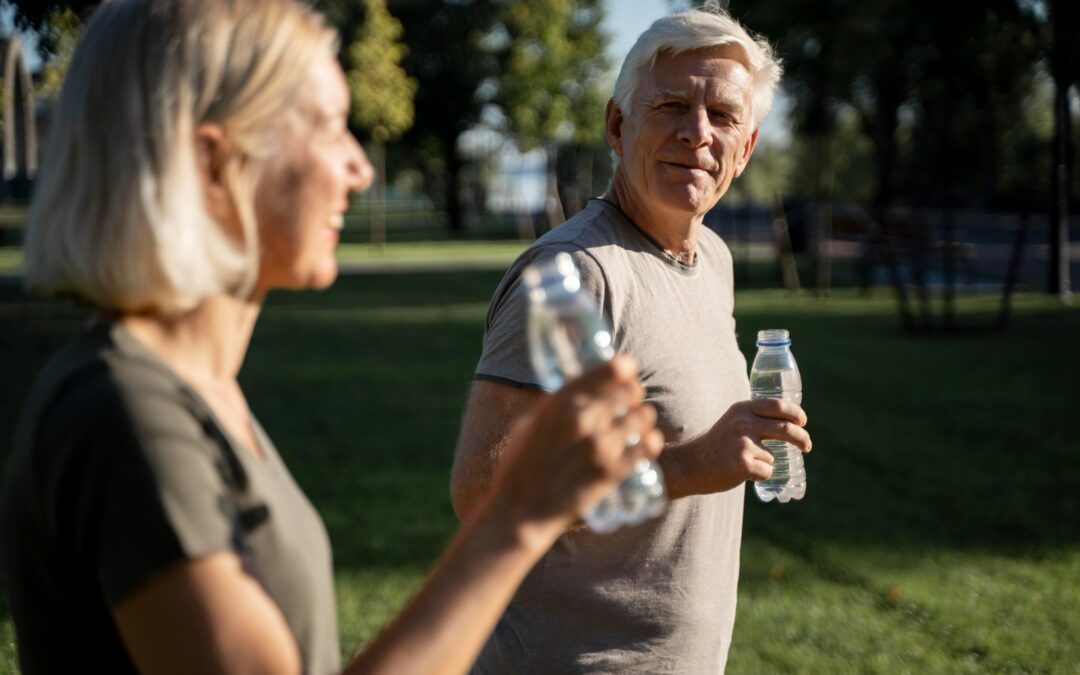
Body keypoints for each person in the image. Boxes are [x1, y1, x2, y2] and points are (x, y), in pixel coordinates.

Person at [0, 1, 664, 674]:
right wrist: (517, 516)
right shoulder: (124, 416)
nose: (360, 168)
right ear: (212, 163)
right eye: (326, 127)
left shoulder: (192, 392)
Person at [450, 4, 813, 673]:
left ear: (746, 148)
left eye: (723, 116)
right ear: (618, 126)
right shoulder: (575, 274)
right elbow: (482, 493)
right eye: (672, 106)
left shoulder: (712, 259)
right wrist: (687, 465)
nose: (697, 133)